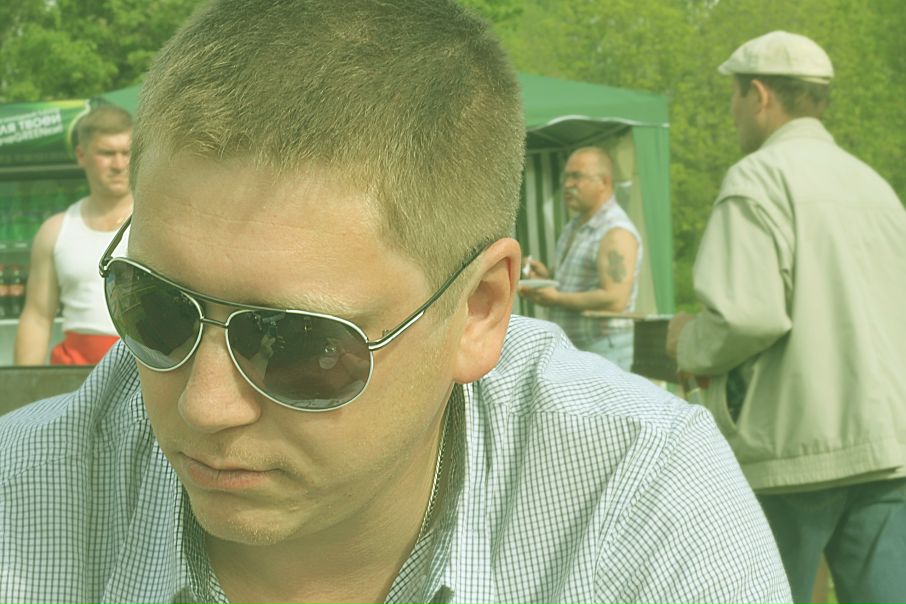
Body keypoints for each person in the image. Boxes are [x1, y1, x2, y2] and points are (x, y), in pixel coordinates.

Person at [0, 2, 791, 602]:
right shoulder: (24, 499)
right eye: (156, 307)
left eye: (295, 343)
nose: (203, 405)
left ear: (479, 311)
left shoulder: (637, 500)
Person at [666, 31, 906, 604]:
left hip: (792, 451)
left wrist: (687, 341)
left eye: (734, 96)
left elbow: (745, 317)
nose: (732, 111)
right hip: (886, 447)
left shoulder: (757, 178)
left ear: (759, 94)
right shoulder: (874, 186)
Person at [14, 104, 132, 365]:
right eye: (107, 153)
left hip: (143, 370)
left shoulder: (158, 223)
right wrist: (24, 384)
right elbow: (37, 317)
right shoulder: (55, 230)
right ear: (81, 155)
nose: (119, 164)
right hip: (73, 371)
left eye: (127, 152)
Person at [519, 147, 642, 371]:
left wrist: (556, 298)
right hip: (576, 348)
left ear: (604, 182)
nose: (567, 184)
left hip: (605, 349)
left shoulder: (616, 232)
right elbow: (576, 280)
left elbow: (615, 299)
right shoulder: (574, 225)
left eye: (577, 177)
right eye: (566, 176)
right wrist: (546, 277)